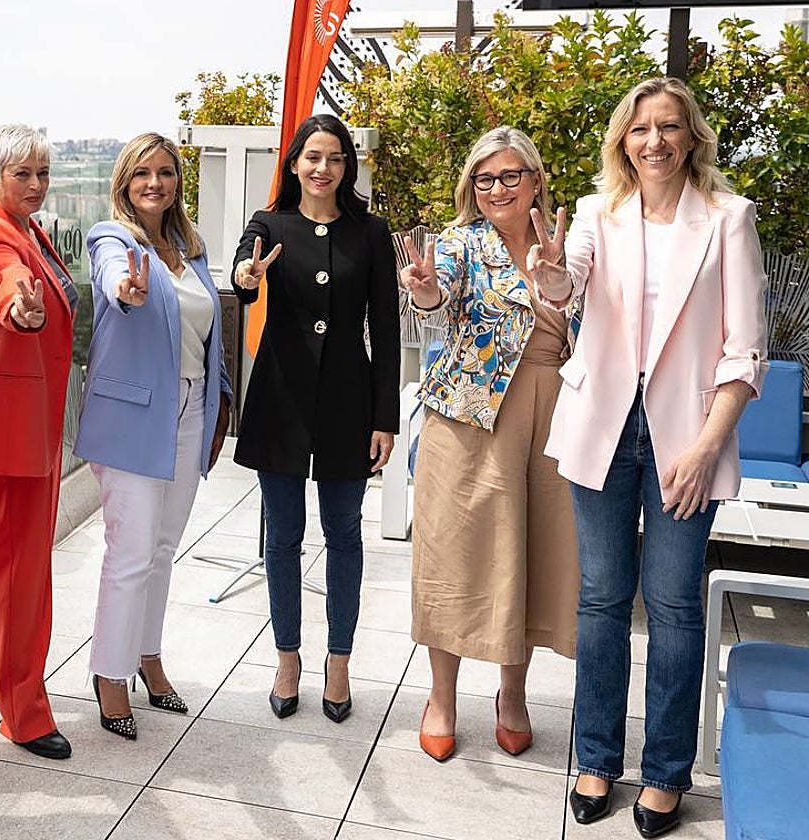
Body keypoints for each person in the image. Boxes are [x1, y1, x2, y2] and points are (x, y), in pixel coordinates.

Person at [530, 77, 767, 837]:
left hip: (684, 441)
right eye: (640, 129)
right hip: (603, 424)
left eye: (669, 126)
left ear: (691, 135)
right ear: (622, 140)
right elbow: (569, 289)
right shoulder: (599, 214)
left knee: (671, 606)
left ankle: (666, 771)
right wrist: (549, 278)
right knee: (600, 601)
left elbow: (744, 351)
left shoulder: (729, 219)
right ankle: (596, 758)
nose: (654, 140)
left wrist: (705, 448)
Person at [400, 127, 580, 762]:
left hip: (556, 409)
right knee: (453, 556)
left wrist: (558, 281)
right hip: (470, 416)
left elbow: (590, 312)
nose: (498, 188)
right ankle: (441, 696)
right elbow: (435, 292)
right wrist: (424, 291)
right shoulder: (458, 242)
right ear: (472, 189)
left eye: (510, 176)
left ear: (535, 179)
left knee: (529, 551)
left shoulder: (572, 240)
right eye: (485, 179)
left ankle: (513, 693)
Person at [232, 114, 399, 724]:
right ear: (294, 163)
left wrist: (386, 416)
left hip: (349, 402)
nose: (322, 168)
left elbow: (385, 326)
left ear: (347, 167)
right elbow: (242, 272)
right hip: (281, 397)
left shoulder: (371, 233)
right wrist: (247, 278)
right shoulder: (269, 224)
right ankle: (286, 659)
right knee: (282, 537)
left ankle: (338, 660)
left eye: (334, 157)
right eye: (312, 156)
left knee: (345, 534)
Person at [75, 133, 232, 739]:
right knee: (131, 551)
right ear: (124, 181)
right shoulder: (112, 238)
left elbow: (204, 329)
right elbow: (118, 281)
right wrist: (126, 289)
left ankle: (147, 655)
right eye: (142, 173)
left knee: (162, 549)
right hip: (137, 417)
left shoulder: (189, 248)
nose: (155, 183)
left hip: (191, 408)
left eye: (165, 173)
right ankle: (109, 675)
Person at [0, 124, 77, 760]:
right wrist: (19, 308)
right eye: (21, 173)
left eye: (42, 174)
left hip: (28, 423)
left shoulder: (34, 229)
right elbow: (5, 285)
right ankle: (23, 711)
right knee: (21, 570)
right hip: (11, 429)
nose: (34, 185)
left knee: (1, 560)